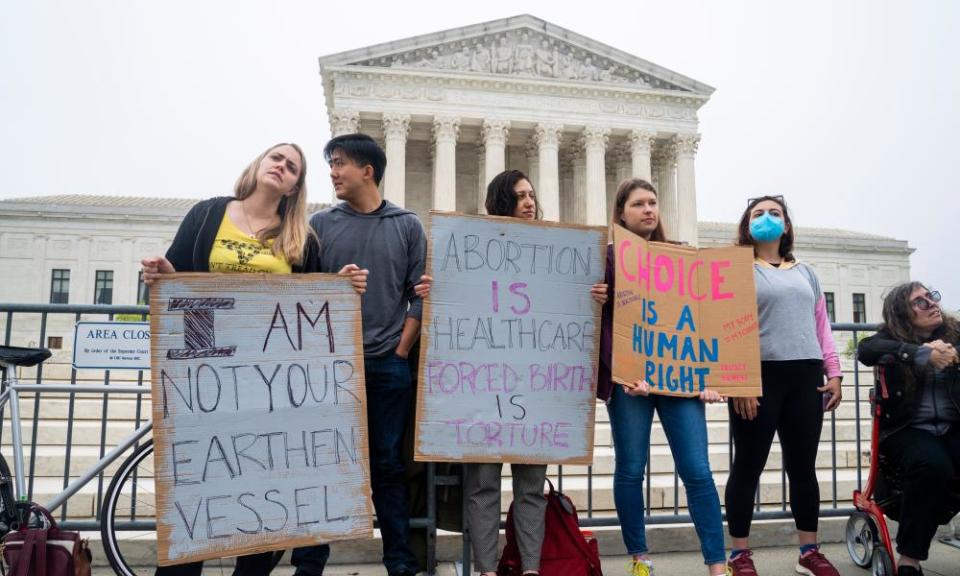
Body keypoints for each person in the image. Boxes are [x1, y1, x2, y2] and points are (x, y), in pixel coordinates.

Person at [141, 142, 367, 576]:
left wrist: (339, 288)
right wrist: (160, 273)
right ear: (259, 164)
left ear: (296, 185)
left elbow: (309, 307)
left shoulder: (301, 238)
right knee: (197, 492)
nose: (281, 166)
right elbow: (178, 284)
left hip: (268, 388)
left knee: (264, 489)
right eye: (276, 158)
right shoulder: (208, 215)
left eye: (292, 167)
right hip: (203, 380)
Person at [415, 169, 606, 575]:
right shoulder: (475, 250)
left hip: (536, 393)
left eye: (532, 195)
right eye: (519, 196)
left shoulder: (558, 256)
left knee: (531, 490)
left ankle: (531, 569)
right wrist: (437, 291)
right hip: (484, 392)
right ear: (501, 201)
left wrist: (594, 294)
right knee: (482, 488)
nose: (529, 202)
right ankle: (487, 570)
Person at [291, 133, 425, 576]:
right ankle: (309, 564)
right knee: (325, 463)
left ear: (368, 171)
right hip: (330, 367)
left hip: (388, 365)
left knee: (387, 468)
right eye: (331, 163)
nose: (332, 171)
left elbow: (420, 294)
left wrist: (401, 349)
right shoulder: (321, 225)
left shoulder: (407, 225)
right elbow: (301, 292)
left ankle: (400, 564)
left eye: (340, 163)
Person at [598, 178, 727, 576]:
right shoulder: (606, 259)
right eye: (639, 204)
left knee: (697, 470)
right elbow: (601, 324)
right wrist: (620, 373)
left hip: (680, 382)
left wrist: (709, 376)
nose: (649, 209)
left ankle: (717, 564)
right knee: (631, 468)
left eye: (653, 202)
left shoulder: (682, 258)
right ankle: (639, 558)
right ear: (621, 212)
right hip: (630, 383)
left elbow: (702, 322)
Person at [724, 195, 843, 576]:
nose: (767, 218)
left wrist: (835, 372)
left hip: (806, 377)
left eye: (775, 213)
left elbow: (821, 325)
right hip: (759, 377)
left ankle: (808, 551)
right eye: (758, 213)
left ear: (787, 225)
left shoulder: (806, 272)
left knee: (803, 468)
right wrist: (738, 382)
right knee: (748, 466)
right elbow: (726, 326)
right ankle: (739, 554)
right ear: (747, 225)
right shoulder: (737, 269)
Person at [857, 283, 960, 576]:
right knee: (932, 465)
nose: (932, 303)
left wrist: (953, 354)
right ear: (902, 314)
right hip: (907, 429)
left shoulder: (953, 334)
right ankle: (909, 559)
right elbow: (866, 349)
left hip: (952, 427)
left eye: (932, 297)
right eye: (921, 302)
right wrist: (918, 353)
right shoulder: (890, 338)